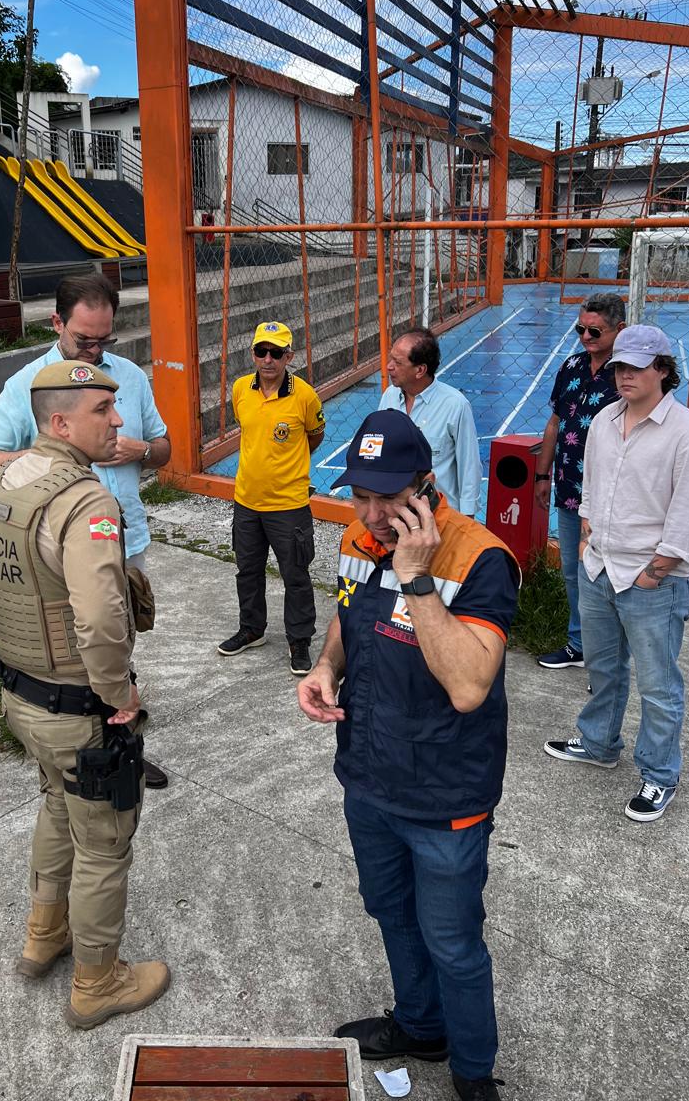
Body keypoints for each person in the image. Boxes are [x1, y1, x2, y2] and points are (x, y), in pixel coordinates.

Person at [298, 410, 519, 1101]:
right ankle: (422, 1025)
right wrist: (324, 668)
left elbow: (467, 686)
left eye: (387, 498)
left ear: (426, 485)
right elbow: (348, 617)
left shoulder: (478, 558)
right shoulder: (358, 539)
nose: (370, 513)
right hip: (369, 778)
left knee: (453, 942)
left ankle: (474, 1072)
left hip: (445, 794)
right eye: (360, 496)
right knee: (390, 913)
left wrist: (417, 579)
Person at [0, 360, 170, 1028]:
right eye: (103, 410)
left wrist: (21, 621)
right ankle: (98, 981)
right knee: (105, 841)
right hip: (77, 706)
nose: (119, 420)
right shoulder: (85, 502)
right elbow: (102, 619)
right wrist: (119, 695)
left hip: (19, 693)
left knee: (56, 802)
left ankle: (44, 935)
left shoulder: (6, 479)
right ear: (61, 421)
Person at [0, 273, 170, 789]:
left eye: (105, 338)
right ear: (57, 322)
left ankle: (120, 744)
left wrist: (143, 451)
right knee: (73, 655)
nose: (95, 349)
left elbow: (165, 447)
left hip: (125, 538)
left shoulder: (128, 376)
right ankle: (76, 752)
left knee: (116, 644)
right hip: (52, 553)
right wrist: (53, 459)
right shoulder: (27, 385)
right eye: (85, 339)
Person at [543, 325, 689, 823]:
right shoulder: (602, 420)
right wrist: (591, 540)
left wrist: (654, 572)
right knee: (603, 668)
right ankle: (599, 742)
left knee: (658, 686)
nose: (625, 375)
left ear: (663, 369)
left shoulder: (688, 434)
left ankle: (660, 774)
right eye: (621, 366)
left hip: (651, 579)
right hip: (601, 566)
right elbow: (591, 485)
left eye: (638, 366)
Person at [218, 321, 325, 675]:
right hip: (247, 500)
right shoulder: (239, 389)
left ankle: (299, 641)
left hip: (289, 505)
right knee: (247, 571)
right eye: (261, 351)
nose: (268, 359)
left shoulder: (305, 396)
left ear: (289, 356)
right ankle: (252, 629)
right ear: (252, 354)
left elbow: (314, 436)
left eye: (276, 353)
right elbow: (247, 429)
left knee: (295, 575)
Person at [534, 293, 625, 670]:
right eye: (580, 329)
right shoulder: (571, 366)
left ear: (619, 329)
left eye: (594, 331)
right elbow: (555, 423)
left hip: (612, 495)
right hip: (570, 488)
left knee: (612, 573)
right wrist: (543, 474)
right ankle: (579, 643)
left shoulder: (629, 373)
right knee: (574, 570)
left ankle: (611, 650)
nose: (585, 337)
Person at [379, 327, 481, 516]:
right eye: (391, 359)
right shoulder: (389, 397)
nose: (389, 366)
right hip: (396, 512)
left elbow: (469, 467)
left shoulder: (455, 405)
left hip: (440, 515)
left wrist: (467, 516)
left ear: (420, 370)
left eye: (398, 362)